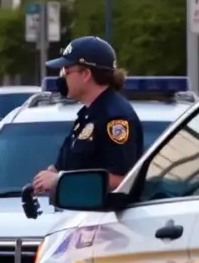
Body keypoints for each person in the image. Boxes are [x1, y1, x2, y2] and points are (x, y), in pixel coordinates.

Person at [31, 36, 143, 196]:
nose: (62, 78)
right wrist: (54, 172)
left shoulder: (115, 118)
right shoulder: (88, 115)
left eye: (66, 71)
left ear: (86, 74)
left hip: (103, 217)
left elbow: (123, 180)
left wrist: (59, 180)